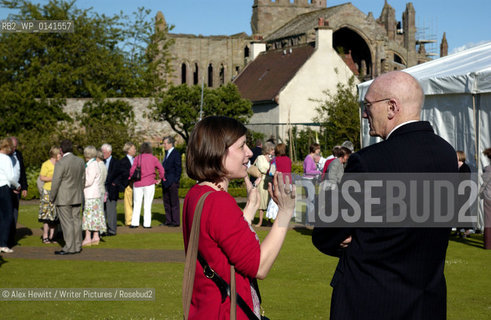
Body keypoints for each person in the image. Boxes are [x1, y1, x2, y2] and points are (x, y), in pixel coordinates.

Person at [312, 71, 458, 319]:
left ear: (392, 107)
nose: (364, 113)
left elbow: (326, 232)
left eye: (368, 105)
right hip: (428, 302)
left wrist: (356, 236)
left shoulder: (369, 161)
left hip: (373, 301)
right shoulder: (447, 154)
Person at [182, 116, 295, 319]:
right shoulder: (219, 202)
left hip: (204, 309)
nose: (249, 153)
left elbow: (223, 245)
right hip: (226, 311)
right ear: (218, 151)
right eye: (242, 146)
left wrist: (250, 210)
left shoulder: (197, 194)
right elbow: (259, 266)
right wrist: (285, 212)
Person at [50, 139, 86, 255]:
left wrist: (52, 197)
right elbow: (83, 179)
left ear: (61, 150)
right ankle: (77, 245)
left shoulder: (61, 163)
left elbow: (56, 182)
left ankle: (69, 247)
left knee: (67, 223)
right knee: (76, 221)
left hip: (64, 197)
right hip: (76, 195)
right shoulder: (80, 161)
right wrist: (79, 191)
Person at [129, 142, 165, 228]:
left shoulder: (137, 158)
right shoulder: (153, 158)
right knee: (147, 204)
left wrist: (131, 178)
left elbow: (132, 171)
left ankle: (134, 223)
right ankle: (147, 224)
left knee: (137, 204)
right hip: (149, 183)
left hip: (138, 183)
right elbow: (161, 169)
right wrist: (160, 178)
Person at [81, 146, 106, 247]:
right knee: (95, 216)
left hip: (90, 194)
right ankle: (95, 236)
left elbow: (89, 181)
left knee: (88, 216)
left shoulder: (91, 165)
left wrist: (79, 183)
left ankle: (88, 237)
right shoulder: (94, 164)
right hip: (94, 194)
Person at [38, 146, 62, 244]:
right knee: (46, 215)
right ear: (56, 154)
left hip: (57, 192)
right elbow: (42, 177)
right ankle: (45, 236)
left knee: (54, 215)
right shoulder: (46, 164)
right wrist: (53, 178)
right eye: (60, 154)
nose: (61, 155)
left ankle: (52, 236)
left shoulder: (60, 164)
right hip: (47, 192)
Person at [0, 138, 19, 253]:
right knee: (7, 216)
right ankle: (3, 243)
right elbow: (11, 177)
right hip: (4, 188)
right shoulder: (6, 159)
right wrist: (17, 186)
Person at [266, 143, 292, 221]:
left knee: (275, 200)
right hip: (288, 183)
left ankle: (274, 217)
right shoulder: (288, 159)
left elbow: (271, 172)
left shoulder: (275, 160)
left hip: (278, 182)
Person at [161, 136, 182, 227]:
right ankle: (169, 220)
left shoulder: (175, 154)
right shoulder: (166, 154)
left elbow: (178, 168)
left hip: (172, 182)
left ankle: (175, 221)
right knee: (166, 202)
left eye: (165, 143)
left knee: (174, 202)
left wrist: (175, 180)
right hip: (165, 181)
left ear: (170, 144)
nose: (164, 145)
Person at [254, 141, 275, 227]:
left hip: (270, 181)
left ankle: (269, 221)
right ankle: (260, 221)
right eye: (272, 149)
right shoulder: (260, 157)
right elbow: (262, 169)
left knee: (270, 201)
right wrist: (270, 168)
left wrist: (271, 168)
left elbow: (274, 169)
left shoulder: (273, 158)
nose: (273, 151)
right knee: (262, 202)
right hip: (262, 181)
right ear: (268, 149)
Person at [115, 142, 136, 226]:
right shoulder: (123, 161)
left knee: (136, 202)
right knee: (128, 203)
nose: (135, 150)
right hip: (128, 184)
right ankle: (129, 221)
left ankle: (135, 219)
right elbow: (123, 173)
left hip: (136, 184)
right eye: (133, 148)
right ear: (128, 150)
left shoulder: (136, 160)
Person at [101, 143, 119, 236]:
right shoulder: (100, 162)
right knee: (102, 209)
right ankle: (103, 229)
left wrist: (115, 183)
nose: (102, 154)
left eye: (104, 152)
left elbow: (121, 175)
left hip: (111, 189)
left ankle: (112, 230)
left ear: (109, 152)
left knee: (111, 210)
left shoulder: (116, 162)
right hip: (102, 188)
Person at [479, 148, 491, 249]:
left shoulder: (488, 168)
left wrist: (480, 193)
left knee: (488, 221)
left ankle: (488, 244)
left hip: (489, 197)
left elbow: (484, 183)